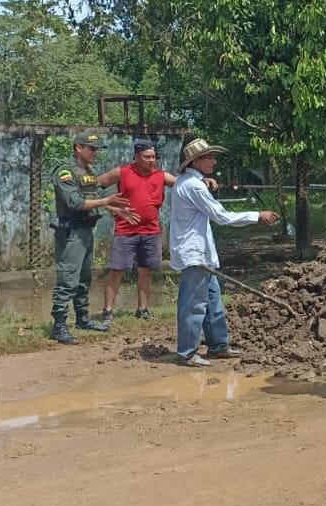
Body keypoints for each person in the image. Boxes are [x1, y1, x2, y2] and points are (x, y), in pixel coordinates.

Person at [169, 138, 279, 367]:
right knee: (193, 304)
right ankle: (187, 353)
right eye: (209, 157)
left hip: (201, 252)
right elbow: (222, 217)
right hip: (195, 254)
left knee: (212, 301)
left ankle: (218, 345)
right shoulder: (194, 186)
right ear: (196, 161)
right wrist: (257, 216)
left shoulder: (189, 182)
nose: (214, 161)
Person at [96, 139, 216, 324]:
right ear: (136, 157)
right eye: (147, 157)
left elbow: (184, 182)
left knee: (146, 270)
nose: (151, 160)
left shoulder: (160, 175)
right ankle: (107, 311)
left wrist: (203, 180)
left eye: (153, 157)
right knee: (117, 270)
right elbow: (94, 186)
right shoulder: (122, 172)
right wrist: (112, 207)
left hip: (151, 231)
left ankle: (142, 309)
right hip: (125, 230)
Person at [50, 131, 132, 345]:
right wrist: (106, 202)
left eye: (97, 149)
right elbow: (75, 203)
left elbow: (93, 197)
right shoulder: (65, 171)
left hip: (86, 230)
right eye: (92, 148)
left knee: (84, 278)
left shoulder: (88, 171)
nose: (96, 153)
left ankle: (82, 319)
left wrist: (114, 209)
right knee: (68, 279)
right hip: (72, 232)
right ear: (79, 147)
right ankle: (59, 326)